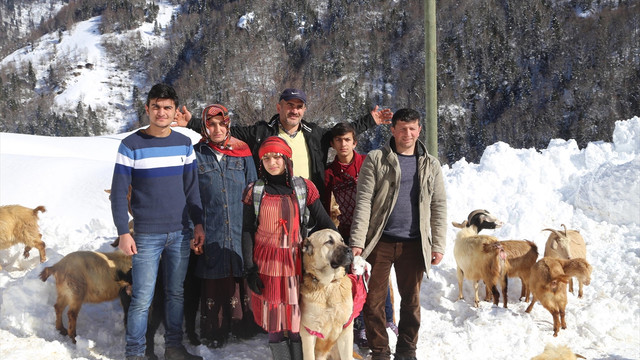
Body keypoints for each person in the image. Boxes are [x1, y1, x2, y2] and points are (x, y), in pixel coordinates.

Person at [110, 83, 205, 360]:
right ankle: (135, 354)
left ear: (175, 111)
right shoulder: (131, 145)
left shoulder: (183, 143)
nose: (161, 112)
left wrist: (198, 224)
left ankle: (173, 348)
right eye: (156, 107)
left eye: (167, 108)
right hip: (146, 234)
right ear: (147, 109)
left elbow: (192, 190)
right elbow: (117, 194)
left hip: (180, 231)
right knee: (141, 298)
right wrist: (123, 233)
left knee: (176, 294)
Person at [349, 109, 447, 360]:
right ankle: (379, 351)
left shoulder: (430, 164)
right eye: (402, 128)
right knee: (373, 302)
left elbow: (438, 205)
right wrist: (358, 242)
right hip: (380, 241)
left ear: (419, 130)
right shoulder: (376, 159)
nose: (408, 134)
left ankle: (407, 350)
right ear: (392, 130)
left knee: (411, 302)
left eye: (412, 128)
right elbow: (364, 202)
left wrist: (438, 244)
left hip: (414, 244)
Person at [173, 88, 393, 198]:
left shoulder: (314, 133)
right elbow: (225, 131)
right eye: (290, 105)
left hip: (310, 201)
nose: (294, 110)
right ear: (279, 108)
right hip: (273, 201)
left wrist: (370, 121)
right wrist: (192, 123)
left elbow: (342, 134)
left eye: (299, 106)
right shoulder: (261, 132)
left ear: (304, 110)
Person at [241, 137, 337, 360]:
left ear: (286, 158)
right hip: (266, 263)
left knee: (297, 318)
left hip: (296, 261)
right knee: (274, 320)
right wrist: (249, 268)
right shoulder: (255, 192)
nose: (272, 162)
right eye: (266, 158)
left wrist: (338, 251)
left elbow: (325, 223)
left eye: (277, 157)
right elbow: (246, 230)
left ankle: (300, 355)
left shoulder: (304, 188)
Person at [321, 122, 399, 348]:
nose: (343, 144)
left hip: (373, 231)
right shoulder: (329, 173)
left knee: (377, 276)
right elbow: (326, 207)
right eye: (338, 140)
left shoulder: (367, 162)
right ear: (333, 144)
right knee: (356, 279)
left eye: (347, 140)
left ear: (355, 142)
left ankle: (387, 320)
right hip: (346, 232)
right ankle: (361, 325)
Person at [191, 104, 259, 348]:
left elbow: (253, 187)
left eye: (222, 123)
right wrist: (194, 227)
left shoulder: (243, 152)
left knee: (239, 269)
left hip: (240, 226)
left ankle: (243, 325)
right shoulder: (196, 153)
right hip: (211, 226)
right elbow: (190, 194)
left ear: (228, 124)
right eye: (212, 124)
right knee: (214, 274)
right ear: (205, 126)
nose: (217, 129)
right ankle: (215, 330)